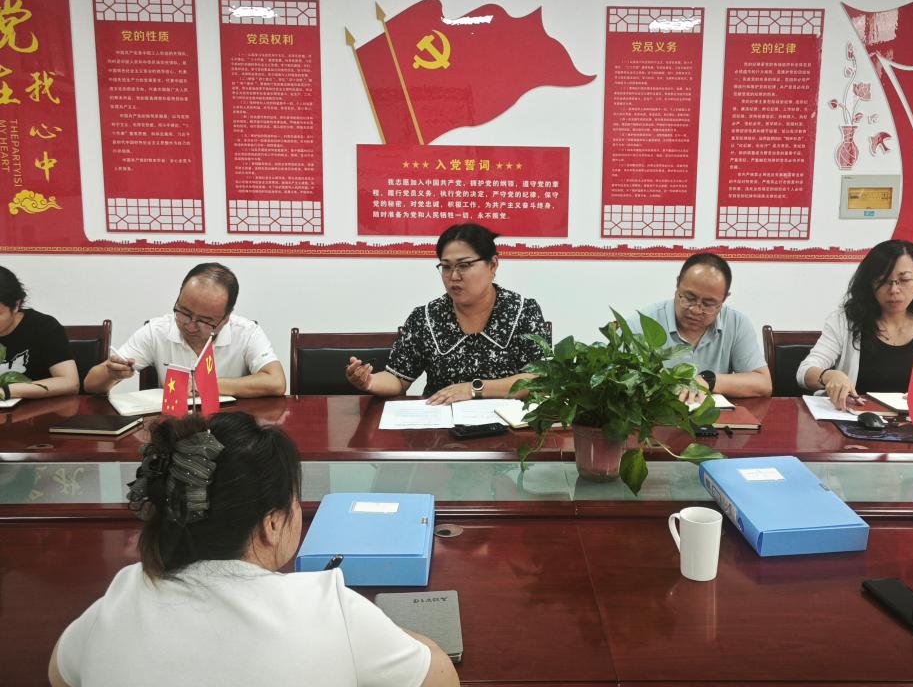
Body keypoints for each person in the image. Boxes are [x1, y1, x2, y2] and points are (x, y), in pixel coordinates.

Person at [48, 412, 458, 687]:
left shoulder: (121, 597)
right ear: (272, 524)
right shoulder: (326, 606)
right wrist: (386, 629)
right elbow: (441, 678)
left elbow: (59, 674)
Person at [346, 223, 548, 405]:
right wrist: (369, 381)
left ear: (493, 265)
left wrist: (473, 389)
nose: (454, 276)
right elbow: (398, 379)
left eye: (464, 265)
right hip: (441, 425)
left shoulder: (523, 311)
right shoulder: (426, 317)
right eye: (446, 267)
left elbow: (537, 379)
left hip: (507, 425)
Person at [797, 239, 913, 409]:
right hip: (855, 423)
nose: (894, 290)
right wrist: (828, 376)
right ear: (870, 284)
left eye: (904, 280)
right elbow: (805, 371)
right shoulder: (845, 321)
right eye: (883, 281)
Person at [84, 262, 286, 398]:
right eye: (184, 313)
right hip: (173, 430)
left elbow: (276, 382)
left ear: (226, 317)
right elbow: (91, 385)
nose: (190, 326)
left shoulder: (246, 332)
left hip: (230, 429)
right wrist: (111, 373)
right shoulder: (157, 331)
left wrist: (202, 384)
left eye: (205, 321)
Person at [626, 253, 772, 402]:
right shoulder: (641, 324)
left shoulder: (736, 323)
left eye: (708, 304)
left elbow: (764, 384)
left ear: (724, 299)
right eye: (689, 298)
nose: (696, 310)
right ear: (677, 285)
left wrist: (708, 380)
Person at [0, 266, 79, 399]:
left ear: (16, 305)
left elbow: (70, 383)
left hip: (39, 409)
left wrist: (6, 391)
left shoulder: (44, 327)